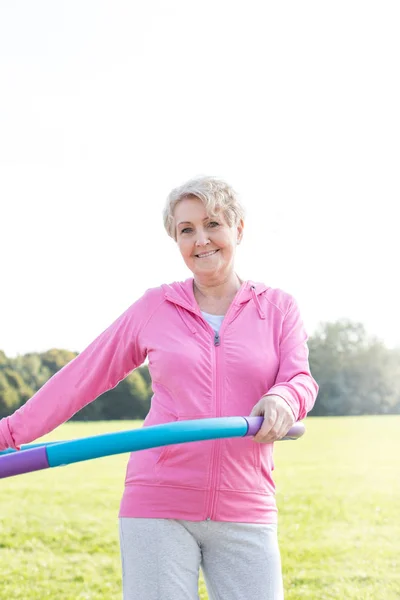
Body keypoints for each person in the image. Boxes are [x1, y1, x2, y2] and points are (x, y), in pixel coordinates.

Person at [0, 176, 318, 599]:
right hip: (158, 503)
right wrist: (7, 435)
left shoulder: (278, 308)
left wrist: (285, 398)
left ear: (238, 229)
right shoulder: (156, 307)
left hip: (246, 503)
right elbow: (82, 376)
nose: (201, 239)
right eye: (186, 230)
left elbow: (300, 378)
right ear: (176, 240)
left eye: (213, 224)